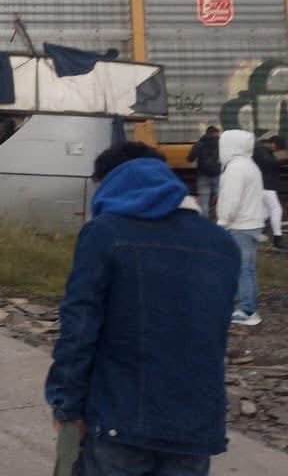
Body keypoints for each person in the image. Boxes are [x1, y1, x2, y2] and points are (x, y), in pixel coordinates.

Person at [45, 142, 239, 476]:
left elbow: (79, 329)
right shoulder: (223, 244)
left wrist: (66, 405)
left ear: (114, 182)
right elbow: (214, 337)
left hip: (119, 421)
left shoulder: (105, 233)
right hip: (195, 426)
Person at [218, 129, 266, 326]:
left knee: (242, 269)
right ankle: (249, 306)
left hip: (240, 225)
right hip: (252, 223)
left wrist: (222, 221)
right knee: (248, 269)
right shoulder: (250, 165)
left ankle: (247, 311)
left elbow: (231, 199)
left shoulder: (235, 168)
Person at [253, 136, 284, 250]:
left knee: (265, 212)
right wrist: (282, 160)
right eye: (278, 147)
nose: (277, 150)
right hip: (266, 186)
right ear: (273, 143)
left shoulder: (263, 150)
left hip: (265, 185)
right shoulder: (260, 150)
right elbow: (269, 164)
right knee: (276, 209)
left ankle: (253, 232)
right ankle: (277, 238)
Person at [187, 126, 221, 219]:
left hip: (203, 175)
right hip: (217, 174)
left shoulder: (199, 144)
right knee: (220, 200)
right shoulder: (221, 144)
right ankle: (220, 221)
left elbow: (190, 159)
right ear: (216, 133)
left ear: (206, 133)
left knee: (204, 201)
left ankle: (205, 222)